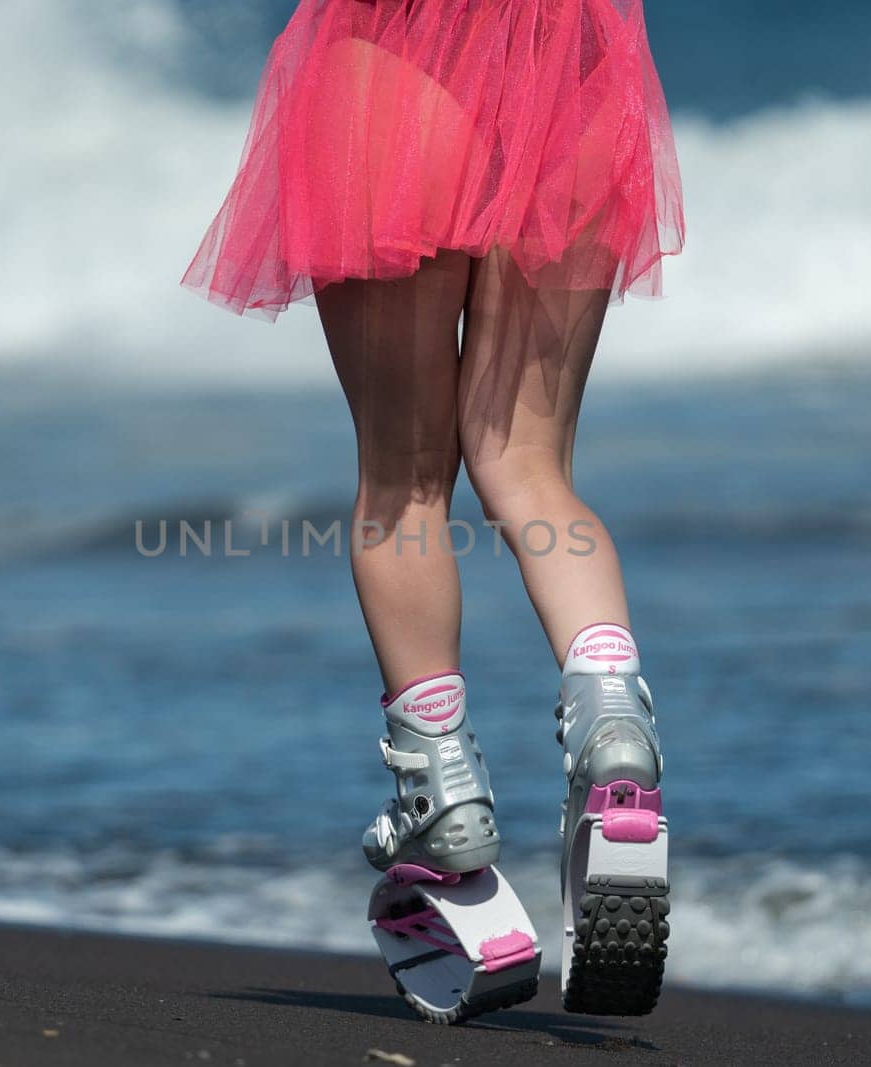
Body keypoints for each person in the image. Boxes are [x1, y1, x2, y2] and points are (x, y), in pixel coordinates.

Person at [182, 0, 683, 1016]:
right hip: (575, 62)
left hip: (392, 56)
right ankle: (612, 721)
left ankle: (441, 800)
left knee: (403, 481)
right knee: (531, 465)